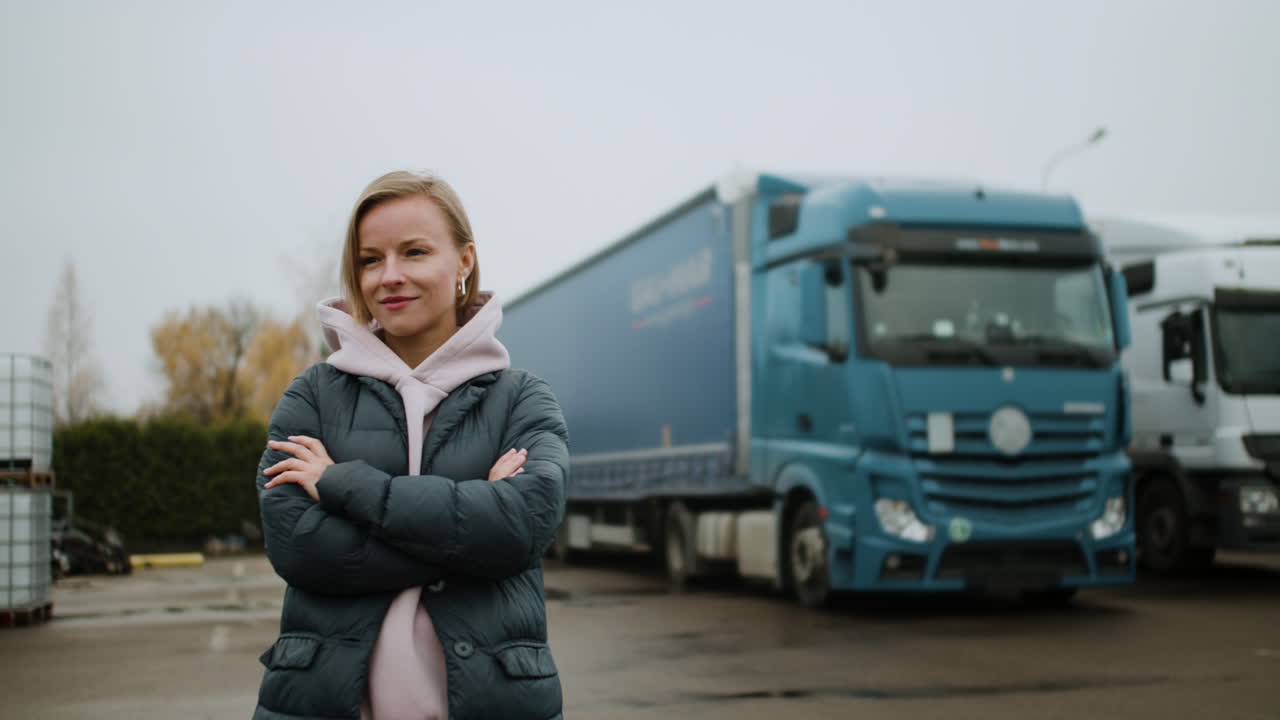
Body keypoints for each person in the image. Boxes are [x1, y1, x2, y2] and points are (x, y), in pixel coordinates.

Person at [252, 171, 568, 720]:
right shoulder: (314, 395)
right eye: (370, 259)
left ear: (464, 261)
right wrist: (469, 532)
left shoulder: (522, 399)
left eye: (414, 252)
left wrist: (341, 484)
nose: (390, 276)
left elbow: (519, 528)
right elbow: (299, 547)